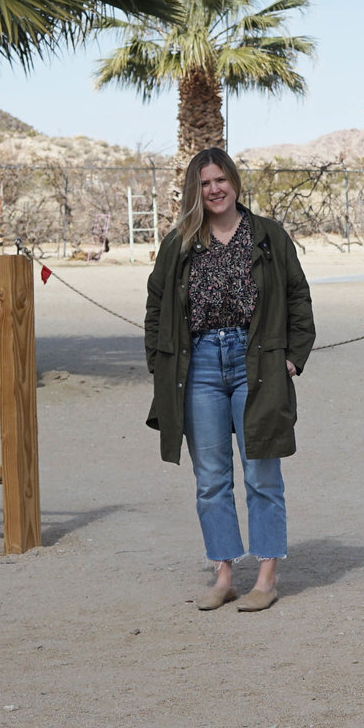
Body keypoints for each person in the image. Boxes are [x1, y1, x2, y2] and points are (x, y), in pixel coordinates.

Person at [144, 148, 315, 611]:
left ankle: (266, 577)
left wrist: (294, 357)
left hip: (254, 361)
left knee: (262, 472)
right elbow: (156, 305)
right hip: (197, 365)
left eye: (220, 180)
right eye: (204, 183)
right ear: (193, 190)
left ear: (235, 182)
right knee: (211, 479)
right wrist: (159, 365)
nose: (214, 189)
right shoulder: (180, 242)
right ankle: (224, 574)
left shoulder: (268, 237)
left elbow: (299, 297)